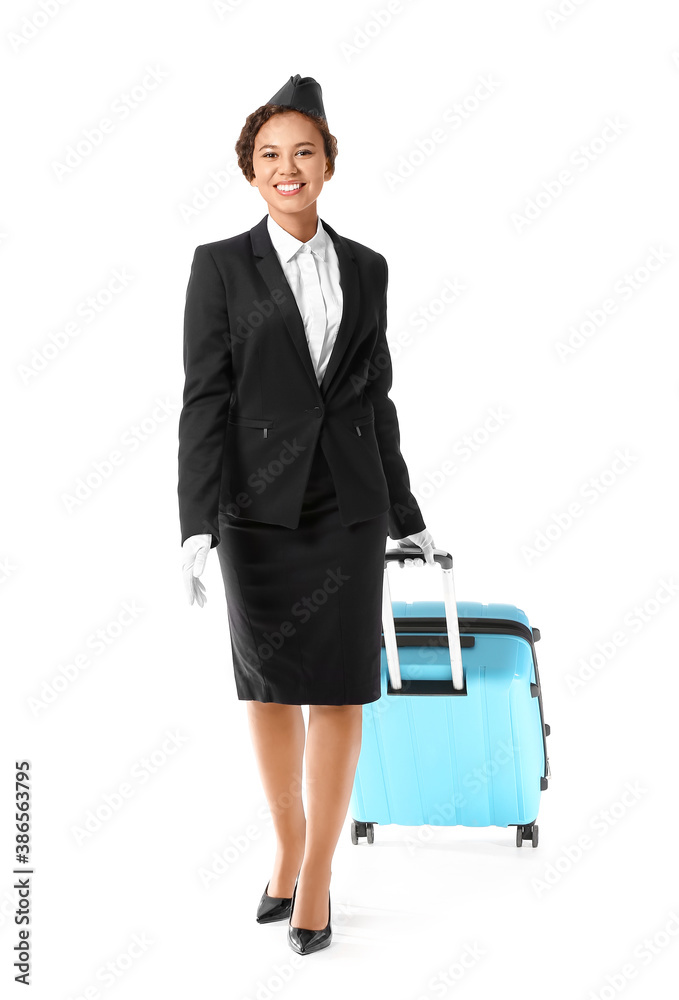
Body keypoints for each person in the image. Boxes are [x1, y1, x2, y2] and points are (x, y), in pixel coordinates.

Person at [177, 74, 436, 955]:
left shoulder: (367, 267)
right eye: (269, 156)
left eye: (303, 153)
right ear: (250, 172)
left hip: (349, 509)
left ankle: (318, 874)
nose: (287, 168)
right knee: (268, 686)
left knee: (338, 687)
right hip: (254, 510)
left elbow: (376, 397)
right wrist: (194, 522)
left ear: (328, 163)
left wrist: (407, 512)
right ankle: (286, 849)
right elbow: (204, 398)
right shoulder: (219, 265)